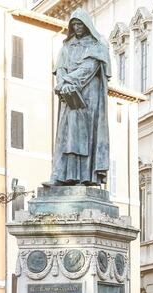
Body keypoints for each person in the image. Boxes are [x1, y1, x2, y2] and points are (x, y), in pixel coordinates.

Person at [52, 10, 110, 185]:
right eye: (74, 25)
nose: (77, 27)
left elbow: (89, 67)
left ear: (87, 25)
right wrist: (63, 83)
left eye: (80, 24)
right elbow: (60, 68)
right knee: (67, 134)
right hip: (69, 94)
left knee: (85, 135)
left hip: (89, 95)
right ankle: (62, 175)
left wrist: (68, 82)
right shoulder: (66, 47)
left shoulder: (97, 45)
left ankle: (85, 177)